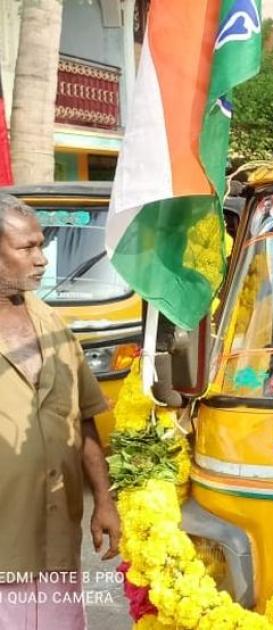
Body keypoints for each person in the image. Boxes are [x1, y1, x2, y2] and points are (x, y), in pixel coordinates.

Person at [0, 195, 120, 629]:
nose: (42, 259)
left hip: (56, 543)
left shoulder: (53, 324)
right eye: (26, 248)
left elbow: (83, 418)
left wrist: (104, 500)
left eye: (41, 245)